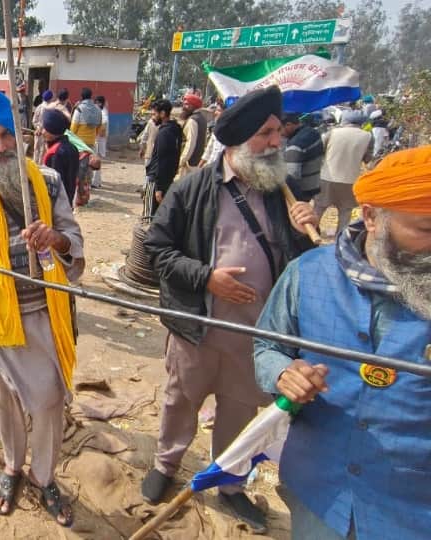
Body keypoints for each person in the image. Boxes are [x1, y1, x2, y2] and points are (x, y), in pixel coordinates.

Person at [141, 86, 318, 533]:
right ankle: (165, 465)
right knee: (181, 401)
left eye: (278, 132)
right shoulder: (193, 188)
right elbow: (157, 248)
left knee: (239, 410)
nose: (277, 141)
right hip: (197, 329)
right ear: (239, 140)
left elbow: (302, 266)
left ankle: (231, 485)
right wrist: (206, 277)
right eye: (267, 133)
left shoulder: (284, 192)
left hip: (256, 336)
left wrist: (304, 234)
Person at [253, 146, 431, 540]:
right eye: (426, 230)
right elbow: (268, 346)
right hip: (321, 492)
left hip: (413, 509)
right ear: (371, 217)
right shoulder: (307, 273)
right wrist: (283, 373)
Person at [0, 91, 84, 527]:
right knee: (5, 397)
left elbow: (72, 238)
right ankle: (12, 466)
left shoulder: (48, 181)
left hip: (45, 311)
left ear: (19, 133)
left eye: (6, 135)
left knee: (49, 400)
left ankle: (43, 475)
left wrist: (54, 240)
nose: (0, 147)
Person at [315, 110, 374, 234]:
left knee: (319, 209)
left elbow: (320, 151)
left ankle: (311, 235)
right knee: (345, 212)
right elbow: (367, 159)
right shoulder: (368, 136)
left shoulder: (332, 133)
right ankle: (339, 238)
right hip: (350, 180)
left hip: (327, 177)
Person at [143, 99, 182, 217]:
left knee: (149, 217)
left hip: (156, 180)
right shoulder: (175, 129)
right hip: (167, 180)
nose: (153, 117)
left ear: (163, 113)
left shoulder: (164, 133)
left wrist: (158, 188)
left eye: (155, 113)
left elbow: (162, 160)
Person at [39, 108, 79, 207]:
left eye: (45, 129)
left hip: (56, 204)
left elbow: (53, 185)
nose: (42, 132)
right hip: (68, 200)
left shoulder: (55, 153)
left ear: (53, 130)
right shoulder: (72, 147)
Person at [282, 112, 324, 202]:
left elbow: (292, 175)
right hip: (314, 184)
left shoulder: (295, 144)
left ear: (288, 125)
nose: (279, 134)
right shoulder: (313, 132)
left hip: (301, 191)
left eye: (279, 129)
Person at [177, 92, 207, 178]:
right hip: (196, 162)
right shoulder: (202, 118)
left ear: (194, 106)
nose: (183, 107)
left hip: (188, 165)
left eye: (187, 104)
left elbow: (190, 144)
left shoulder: (192, 120)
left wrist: (182, 161)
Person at [32, 89, 54, 163]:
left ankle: (35, 165)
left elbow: (34, 121)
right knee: (42, 151)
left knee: (36, 150)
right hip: (45, 133)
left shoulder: (39, 107)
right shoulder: (51, 109)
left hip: (38, 133)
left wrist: (37, 128)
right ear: (50, 99)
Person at [92, 95, 108, 188]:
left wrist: (95, 134)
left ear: (100, 103)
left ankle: (95, 182)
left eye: (97, 103)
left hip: (99, 141)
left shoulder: (102, 113)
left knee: (96, 162)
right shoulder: (101, 112)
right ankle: (97, 182)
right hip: (98, 140)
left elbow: (103, 129)